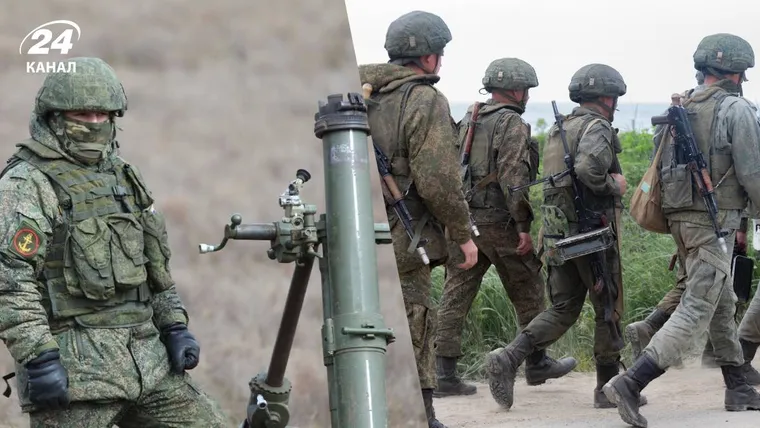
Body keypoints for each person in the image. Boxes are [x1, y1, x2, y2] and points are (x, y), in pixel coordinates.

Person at [0, 57, 227, 428]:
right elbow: (10, 280)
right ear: (54, 117)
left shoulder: (123, 176)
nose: (94, 123)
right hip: (76, 375)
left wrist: (174, 325)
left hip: (149, 365)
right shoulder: (27, 183)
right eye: (82, 114)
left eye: (102, 115)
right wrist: (39, 356)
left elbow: (155, 267)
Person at [603, 33, 760, 427]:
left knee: (721, 301)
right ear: (736, 72)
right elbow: (753, 173)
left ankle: (738, 385)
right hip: (713, 222)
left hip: (680, 220)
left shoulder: (680, 108)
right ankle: (632, 383)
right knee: (697, 308)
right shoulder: (737, 109)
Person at [484, 63, 643, 411]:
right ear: (608, 97)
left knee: (563, 308)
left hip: (558, 235)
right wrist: (613, 184)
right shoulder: (597, 127)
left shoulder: (561, 128)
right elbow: (587, 169)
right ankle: (607, 388)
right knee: (608, 307)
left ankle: (509, 357)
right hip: (592, 235)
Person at [358, 10, 479, 428]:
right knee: (413, 322)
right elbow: (439, 181)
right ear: (428, 58)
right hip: (404, 237)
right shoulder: (424, 99)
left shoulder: (362, 93)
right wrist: (463, 234)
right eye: (440, 53)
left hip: (355, 231)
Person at [433, 58, 577, 398]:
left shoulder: (470, 118)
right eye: (525, 89)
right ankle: (536, 361)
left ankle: (444, 373)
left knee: (455, 294)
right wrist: (523, 224)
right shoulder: (511, 122)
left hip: (465, 221)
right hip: (499, 222)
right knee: (529, 287)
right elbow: (514, 178)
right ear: (516, 90)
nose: (527, 95)